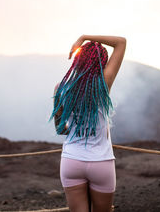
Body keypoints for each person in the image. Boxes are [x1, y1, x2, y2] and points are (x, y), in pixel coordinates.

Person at [49, 35, 126, 212]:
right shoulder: (103, 84)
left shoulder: (60, 88)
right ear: (102, 63)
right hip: (101, 162)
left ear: (78, 60)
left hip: (71, 160)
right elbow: (121, 42)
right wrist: (84, 37)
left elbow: (61, 128)